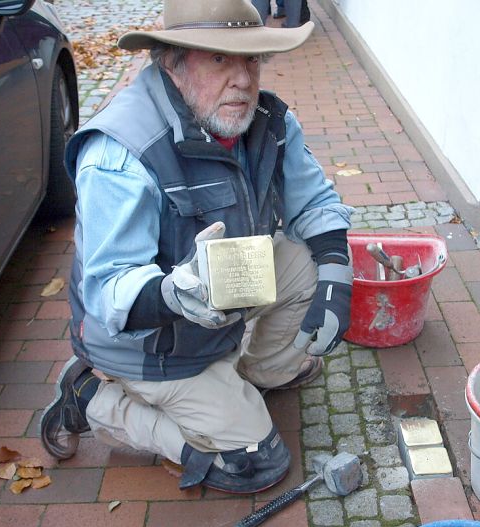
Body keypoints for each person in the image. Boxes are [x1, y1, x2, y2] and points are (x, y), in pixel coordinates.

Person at [40, 0, 354, 495]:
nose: (244, 80)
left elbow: (312, 200)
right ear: (171, 60)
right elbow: (109, 291)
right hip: (147, 345)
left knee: (308, 261)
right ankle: (92, 397)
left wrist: (337, 272)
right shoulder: (121, 150)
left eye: (250, 59)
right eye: (218, 59)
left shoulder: (266, 120)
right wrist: (173, 294)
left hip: (221, 298)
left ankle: (256, 371)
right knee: (255, 465)